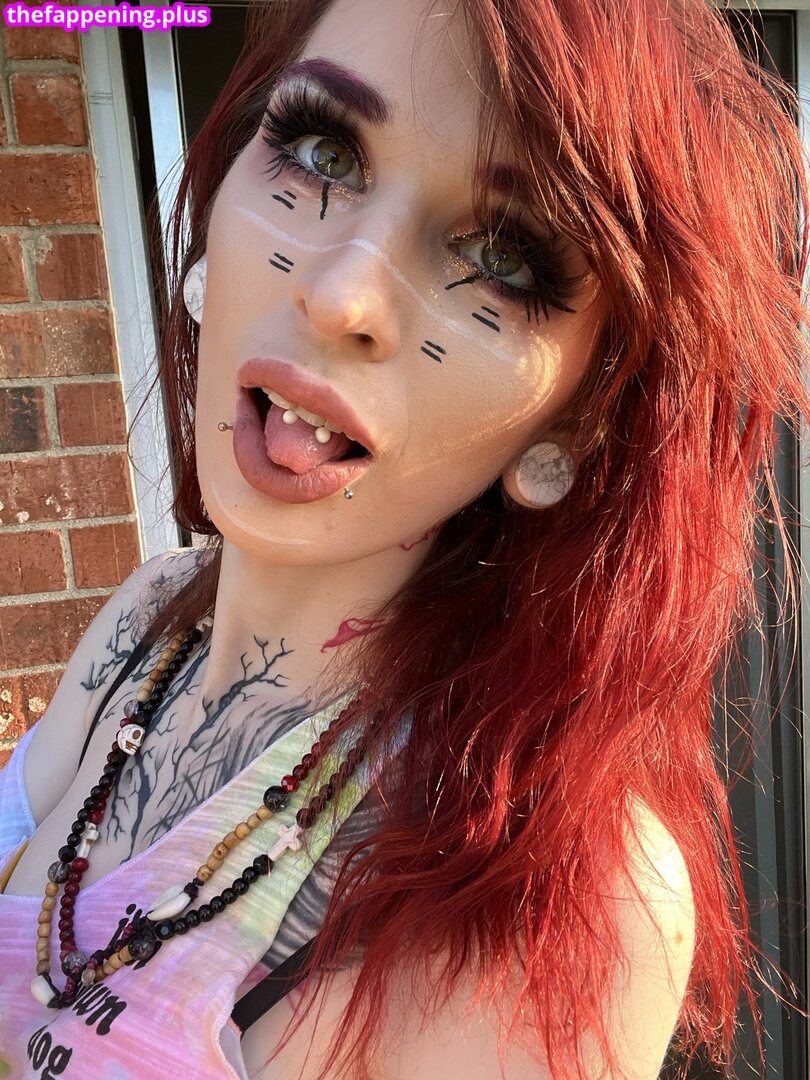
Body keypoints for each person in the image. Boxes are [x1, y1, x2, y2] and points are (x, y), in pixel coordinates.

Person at [1, 0, 808, 1076]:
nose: (341, 294)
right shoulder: (144, 622)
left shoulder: (561, 893)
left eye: (504, 257)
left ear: (576, 419)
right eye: (323, 153)